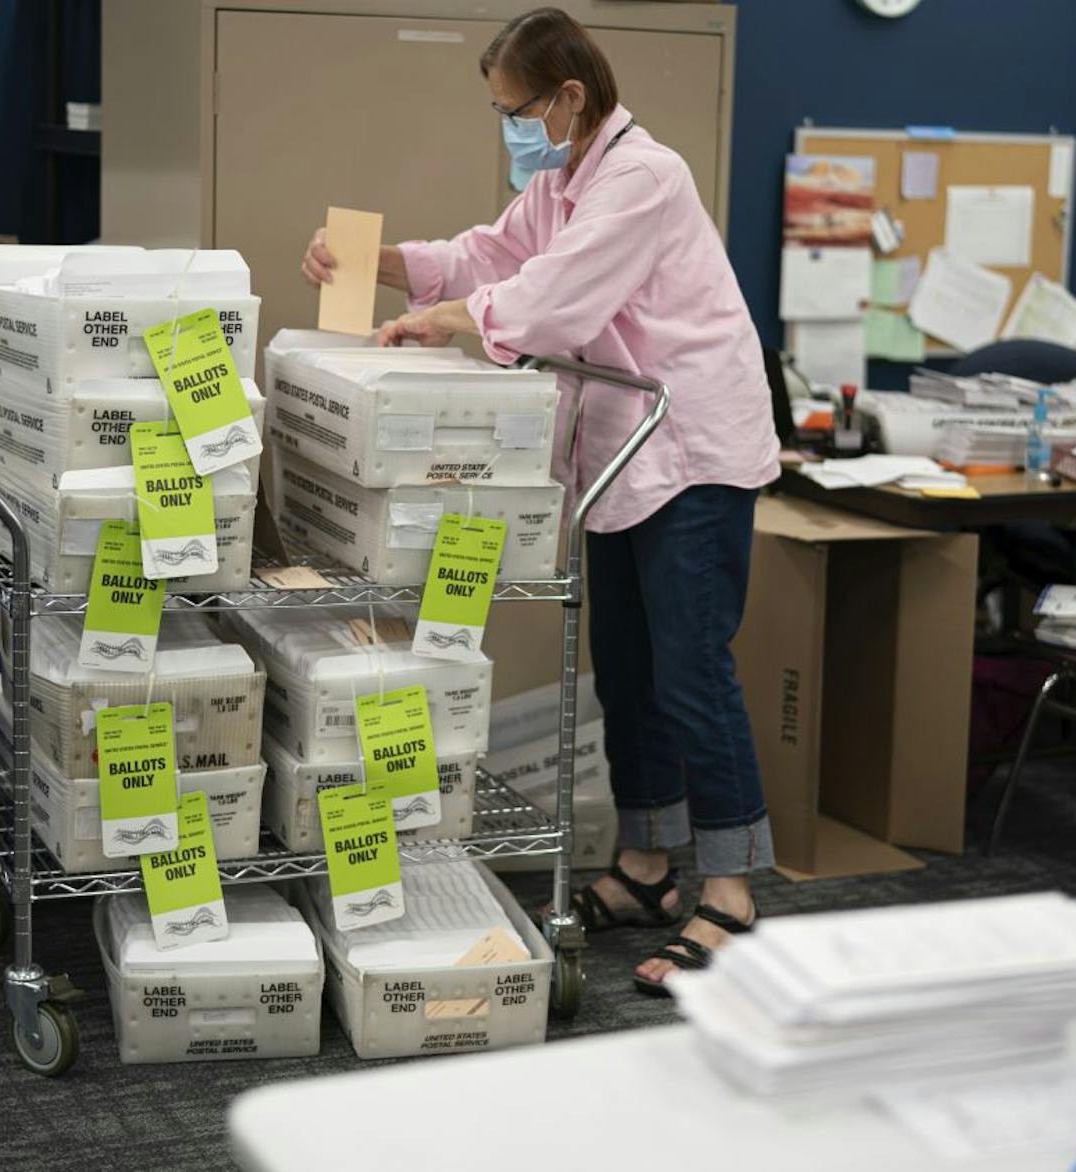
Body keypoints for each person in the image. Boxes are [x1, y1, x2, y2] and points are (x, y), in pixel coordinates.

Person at [301, 6, 780, 996]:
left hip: (689, 447)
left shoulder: (643, 177)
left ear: (569, 95)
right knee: (627, 666)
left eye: (516, 109)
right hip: (624, 450)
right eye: (498, 113)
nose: (510, 129)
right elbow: (490, 253)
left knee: (691, 669)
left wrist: (444, 320)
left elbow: (552, 298)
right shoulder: (565, 180)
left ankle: (729, 887)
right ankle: (648, 864)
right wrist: (380, 263)